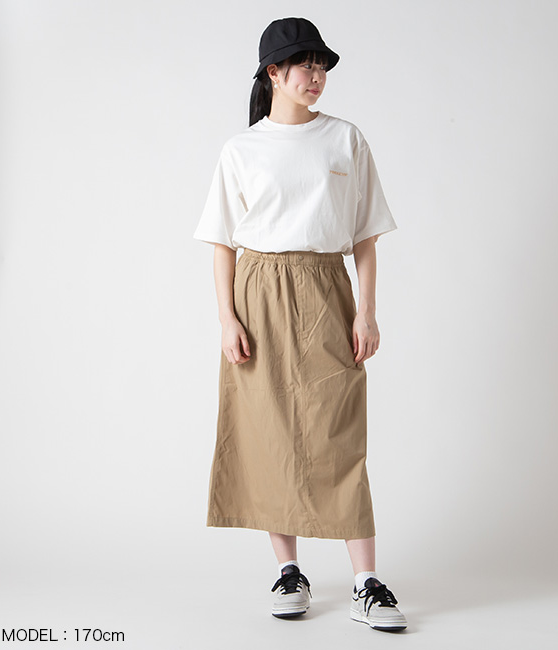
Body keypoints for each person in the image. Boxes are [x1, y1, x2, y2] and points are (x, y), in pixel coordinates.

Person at [193, 17, 407, 631]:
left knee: (339, 432)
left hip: (324, 290)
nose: (316, 75)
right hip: (258, 291)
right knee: (268, 431)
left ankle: (366, 582)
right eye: (304, 64)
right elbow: (222, 243)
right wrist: (226, 318)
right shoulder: (241, 150)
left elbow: (365, 236)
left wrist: (366, 310)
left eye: (321, 65)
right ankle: (288, 571)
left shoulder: (345, 139)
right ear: (274, 72)